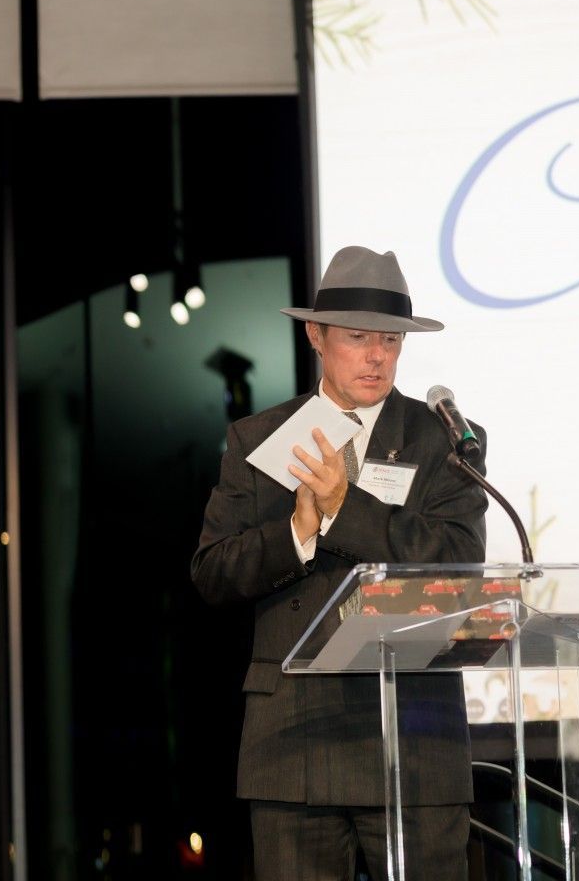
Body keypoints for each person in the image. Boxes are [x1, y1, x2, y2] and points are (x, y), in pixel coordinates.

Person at [191, 246, 487, 881]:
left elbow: (461, 563)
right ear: (316, 336)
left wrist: (342, 509)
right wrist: (299, 531)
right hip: (295, 739)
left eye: (391, 339)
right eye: (358, 338)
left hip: (415, 739)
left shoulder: (444, 441)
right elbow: (212, 573)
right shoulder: (259, 440)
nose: (377, 355)